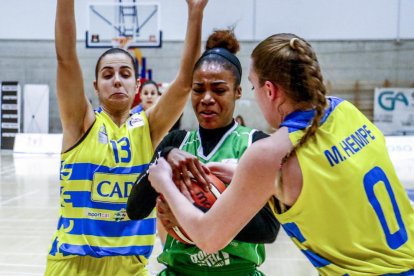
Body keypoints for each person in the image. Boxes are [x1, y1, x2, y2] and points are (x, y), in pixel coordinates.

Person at [147, 33, 414, 275]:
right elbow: (324, 177)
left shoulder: (270, 153)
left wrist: (164, 184)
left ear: (270, 90)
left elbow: (208, 237)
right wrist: (243, 175)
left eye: (253, 86)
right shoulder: (348, 112)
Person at [45, 0, 207, 275]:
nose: (117, 80)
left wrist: (195, 13)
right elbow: (66, 58)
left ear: (136, 84)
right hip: (73, 264)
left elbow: (185, 82)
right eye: (108, 75)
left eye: (125, 74)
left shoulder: (148, 128)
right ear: (95, 86)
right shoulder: (79, 123)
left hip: (130, 266)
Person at [127, 29, 280, 275]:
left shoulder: (256, 144)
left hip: (238, 271)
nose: (207, 98)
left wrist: (191, 219)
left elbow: (268, 230)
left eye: (219, 90)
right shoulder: (177, 141)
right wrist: (163, 154)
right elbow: (134, 209)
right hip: (179, 270)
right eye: (199, 90)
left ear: (237, 92)